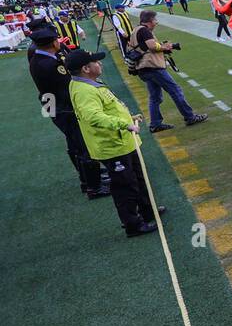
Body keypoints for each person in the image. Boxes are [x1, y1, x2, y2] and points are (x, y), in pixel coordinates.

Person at [67, 48, 164, 238]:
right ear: (86, 68)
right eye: (95, 62)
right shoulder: (85, 90)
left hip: (122, 142)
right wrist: (124, 124)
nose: (100, 63)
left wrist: (128, 117)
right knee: (125, 187)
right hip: (113, 146)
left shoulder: (89, 84)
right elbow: (93, 117)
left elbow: (107, 108)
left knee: (138, 177)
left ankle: (147, 210)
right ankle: (132, 224)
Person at [28, 25, 110, 199]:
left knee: (74, 143)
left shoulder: (40, 58)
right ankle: (94, 186)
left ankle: (88, 179)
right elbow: (67, 86)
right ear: (53, 42)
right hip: (63, 107)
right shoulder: (49, 63)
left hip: (52, 104)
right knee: (83, 144)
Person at [132, 11, 208, 133]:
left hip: (143, 68)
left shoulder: (136, 30)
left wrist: (162, 46)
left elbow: (144, 47)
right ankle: (190, 117)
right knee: (175, 90)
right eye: (155, 20)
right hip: (153, 67)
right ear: (149, 21)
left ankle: (155, 124)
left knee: (155, 97)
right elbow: (152, 47)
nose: (156, 22)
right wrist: (165, 47)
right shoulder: (144, 30)